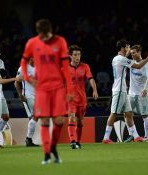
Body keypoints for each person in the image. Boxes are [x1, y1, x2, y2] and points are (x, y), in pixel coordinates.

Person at [21, 19, 74, 164]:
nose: (44, 38)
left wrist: (70, 89)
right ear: (38, 33)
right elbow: (23, 61)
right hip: (42, 89)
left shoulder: (60, 42)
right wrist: (27, 77)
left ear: (50, 31)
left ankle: (53, 148)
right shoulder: (32, 43)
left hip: (58, 88)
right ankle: (46, 155)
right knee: (44, 120)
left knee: (59, 120)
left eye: (46, 34)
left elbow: (66, 68)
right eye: (41, 35)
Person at [102, 39, 148, 144]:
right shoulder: (121, 59)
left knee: (129, 113)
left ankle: (136, 136)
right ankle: (105, 138)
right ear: (123, 48)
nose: (128, 50)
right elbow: (139, 65)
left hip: (124, 91)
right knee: (113, 113)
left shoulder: (116, 59)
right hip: (119, 90)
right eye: (127, 47)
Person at [66, 45, 98, 149]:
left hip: (82, 99)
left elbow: (91, 79)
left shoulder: (85, 67)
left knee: (80, 121)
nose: (77, 57)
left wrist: (94, 90)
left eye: (78, 54)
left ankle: (78, 142)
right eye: (75, 55)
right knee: (71, 118)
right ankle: (72, 141)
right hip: (70, 99)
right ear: (70, 56)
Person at [124, 45, 148, 142]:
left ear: (139, 52)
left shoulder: (146, 64)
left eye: (134, 52)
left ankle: (147, 137)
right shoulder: (131, 63)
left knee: (144, 116)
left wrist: (145, 88)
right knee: (127, 114)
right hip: (131, 94)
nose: (132, 55)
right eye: (131, 53)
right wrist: (127, 52)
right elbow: (123, 60)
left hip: (142, 94)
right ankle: (132, 135)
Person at [15, 58, 39, 147]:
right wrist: (20, 95)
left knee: (34, 117)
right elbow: (17, 82)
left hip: (38, 96)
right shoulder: (22, 68)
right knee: (36, 115)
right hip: (28, 96)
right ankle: (28, 139)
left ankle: (29, 140)